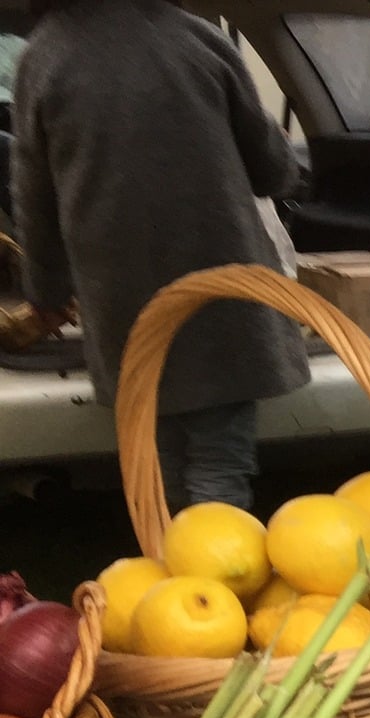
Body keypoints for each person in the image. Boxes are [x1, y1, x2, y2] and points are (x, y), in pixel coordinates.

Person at [9, 0, 310, 512]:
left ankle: (176, 574)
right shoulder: (200, 40)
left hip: (121, 302)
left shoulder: (41, 60)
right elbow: (270, 170)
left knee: (160, 453)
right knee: (219, 459)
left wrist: (46, 294)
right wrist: (281, 155)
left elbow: (33, 200)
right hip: (222, 291)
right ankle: (214, 576)